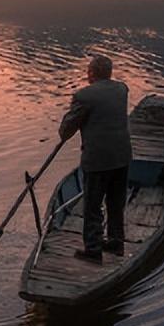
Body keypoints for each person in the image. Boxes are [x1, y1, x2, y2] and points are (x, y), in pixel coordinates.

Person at [57, 54, 132, 262]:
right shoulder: (122, 89)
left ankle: (93, 250)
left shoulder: (84, 96)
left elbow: (65, 131)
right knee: (116, 202)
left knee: (92, 205)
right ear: (109, 72)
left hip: (98, 159)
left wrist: (74, 118)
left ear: (91, 73)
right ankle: (116, 243)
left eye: (88, 71)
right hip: (122, 155)